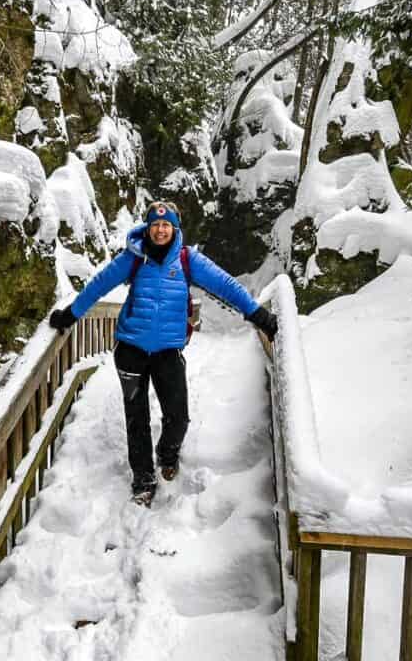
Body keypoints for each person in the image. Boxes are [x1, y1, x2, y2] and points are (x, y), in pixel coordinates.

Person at [49, 202, 278, 506]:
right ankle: (143, 480)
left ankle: (167, 454)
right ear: (148, 227)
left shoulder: (186, 260)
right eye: (155, 225)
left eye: (166, 225)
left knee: (178, 416)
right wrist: (71, 314)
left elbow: (225, 284)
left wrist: (257, 315)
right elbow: (98, 286)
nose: (160, 230)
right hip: (130, 350)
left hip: (167, 352)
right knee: (136, 418)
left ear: (174, 228)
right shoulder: (133, 258)